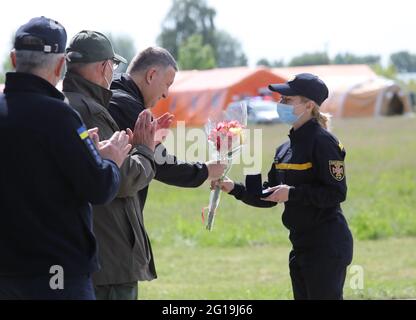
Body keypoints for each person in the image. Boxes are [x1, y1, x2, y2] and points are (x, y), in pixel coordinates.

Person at [0, 17, 131, 300]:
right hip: (57, 273)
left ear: (13, 59)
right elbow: (98, 187)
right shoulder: (59, 116)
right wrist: (109, 160)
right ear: (61, 65)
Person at [214, 73, 353, 300]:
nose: (281, 104)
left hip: (327, 246)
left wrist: (293, 194)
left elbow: (336, 193)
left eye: (288, 100)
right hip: (300, 246)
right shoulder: (284, 149)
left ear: (309, 105)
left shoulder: (324, 142)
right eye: (280, 99)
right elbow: (269, 195)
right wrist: (233, 188)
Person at [106, 47, 226, 299]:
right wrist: (204, 171)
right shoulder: (128, 104)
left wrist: (149, 143)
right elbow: (161, 164)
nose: (165, 94)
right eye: (166, 84)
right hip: (114, 237)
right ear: (151, 75)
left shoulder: (114, 93)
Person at [63, 30, 158, 300]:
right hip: (109, 259)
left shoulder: (63, 104)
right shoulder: (90, 110)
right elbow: (122, 179)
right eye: (113, 66)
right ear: (105, 66)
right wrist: (145, 149)